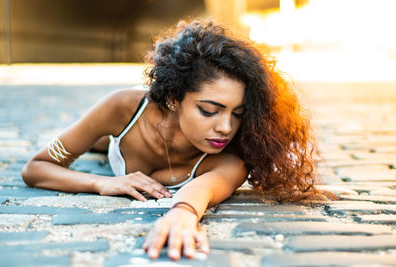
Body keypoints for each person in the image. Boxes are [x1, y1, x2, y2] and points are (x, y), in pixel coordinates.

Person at [22, 19, 319, 260]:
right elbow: (36, 168)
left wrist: (180, 216)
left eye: (238, 114)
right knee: (100, 141)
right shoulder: (123, 107)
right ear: (175, 98)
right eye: (209, 111)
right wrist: (102, 183)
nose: (226, 128)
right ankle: (101, 141)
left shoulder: (230, 159)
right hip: (120, 134)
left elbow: (199, 194)